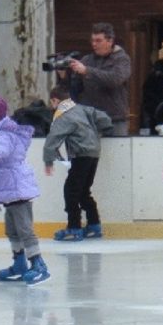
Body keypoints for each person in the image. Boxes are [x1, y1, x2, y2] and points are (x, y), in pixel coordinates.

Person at [0, 93, 50, 285]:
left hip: (18, 188)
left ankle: (38, 264)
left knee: (24, 229)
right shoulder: (3, 132)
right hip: (11, 189)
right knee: (12, 230)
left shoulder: (5, 135)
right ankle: (19, 263)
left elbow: (1, 148)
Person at [43, 85, 113, 241]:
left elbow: (52, 140)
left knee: (71, 191)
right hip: (94, 153)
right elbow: (105, 119)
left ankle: (74, 227)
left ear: (55, 100)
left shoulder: (63, 115)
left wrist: (48, 161)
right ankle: (94, 225)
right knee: (83, 191)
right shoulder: (83, 109)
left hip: (81, 154)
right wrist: (101, 131)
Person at [56, 22, 132, 136]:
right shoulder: (87, 59)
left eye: (98, 41)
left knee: (118, 152)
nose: (94, 44)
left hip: (115, 119)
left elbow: (115, 79)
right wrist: (64, 77)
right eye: (92, 40)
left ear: (110, 41)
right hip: (91, 118)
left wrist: (87, 71)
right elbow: (75, 90)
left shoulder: (121, 59)